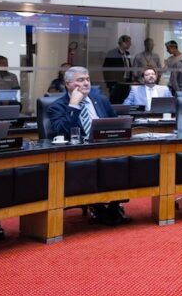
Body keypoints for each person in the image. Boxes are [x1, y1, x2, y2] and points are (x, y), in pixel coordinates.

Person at [46, 66, 128, 225]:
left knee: (123, 160)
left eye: (87, 79)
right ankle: (97, 207)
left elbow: (116, 123)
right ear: (68, 83)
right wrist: (73, 105)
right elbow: (62, 132)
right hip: (77, 153)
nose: (86, 83)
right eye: (80, 80)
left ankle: (114, 206)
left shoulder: (101, 100)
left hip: (105, 149)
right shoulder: (57, 106)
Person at [102, 35, 134, 104]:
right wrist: (110, 83)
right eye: (128, 42)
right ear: (122, 43)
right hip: (116, 83)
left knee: (125, 101)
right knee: (115, 101)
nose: (130, 45)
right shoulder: (112, 53)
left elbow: (128, 67)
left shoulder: (127, 54)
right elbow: (106, 68)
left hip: (126, 83)